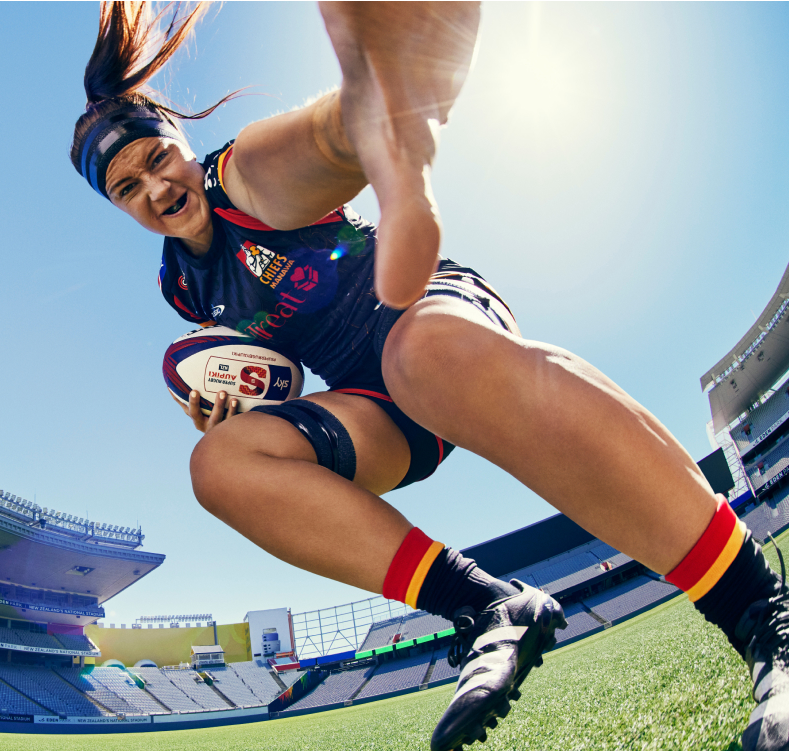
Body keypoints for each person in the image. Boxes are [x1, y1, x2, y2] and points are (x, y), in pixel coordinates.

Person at [70, 3, 789, 749]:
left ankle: (763, 612)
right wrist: (229, 406)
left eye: (156, 160)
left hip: (427, 318)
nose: (153, 189)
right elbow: (264, 369)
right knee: (220, 466)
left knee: (423, 358)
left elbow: (320, 141)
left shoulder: (243, 175)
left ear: (182, 145)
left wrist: (367, 112)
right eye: (127, 189)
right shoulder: (181, 286)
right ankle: (487, 607)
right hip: (372, 403)